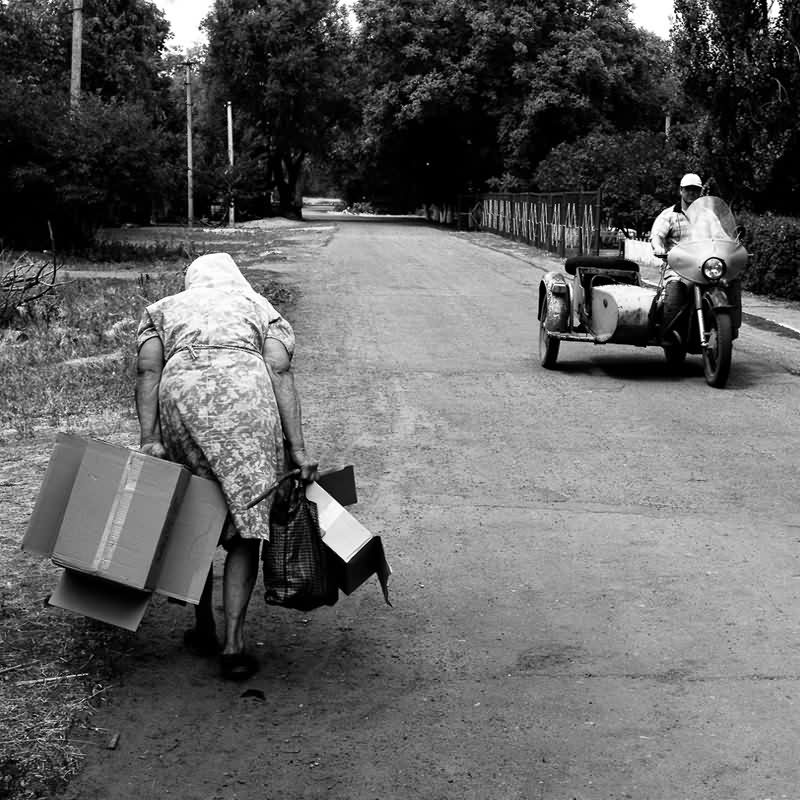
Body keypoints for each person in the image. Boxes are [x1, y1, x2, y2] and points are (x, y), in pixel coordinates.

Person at [135, 252, 319, 681]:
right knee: (246, 525)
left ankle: (203, 627)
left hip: (184, 401)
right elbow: (279, 368)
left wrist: (151, 439)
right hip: (248, 406)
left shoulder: (163, 309)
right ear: (236, 279)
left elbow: (148, 371)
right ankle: (234, 646)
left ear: (192, 281)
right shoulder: (258, 307)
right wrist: (299, 449)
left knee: (195, 516)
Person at [650, 172, 705, 331]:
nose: (691, 193)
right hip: (677, 267)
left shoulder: (708, 216)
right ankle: (669, 333)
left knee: (728, 282)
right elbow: (657, 236)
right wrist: (658, 247)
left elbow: (720, 235)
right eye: (688, 189)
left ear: (700, 192)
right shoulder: (668, 215)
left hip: (704, 266)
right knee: (676, 287)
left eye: (695, 190)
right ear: (681, 191)